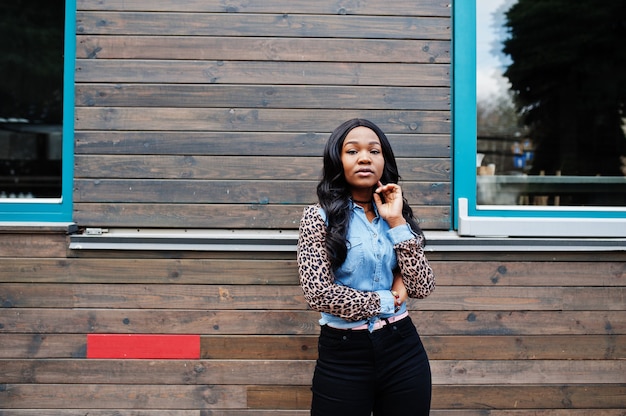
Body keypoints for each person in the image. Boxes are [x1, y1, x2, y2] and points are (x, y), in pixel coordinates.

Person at [297, 118, 436, 415]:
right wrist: (390, 299)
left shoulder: (397, 214)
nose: (364, 158)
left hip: (403, 349)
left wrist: (397, 222)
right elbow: (319, 293)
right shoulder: (317, 217)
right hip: (343, 355)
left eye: (374, 151)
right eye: (352, 151)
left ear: (384, 161)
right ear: (337, 160)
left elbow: (422, 285)